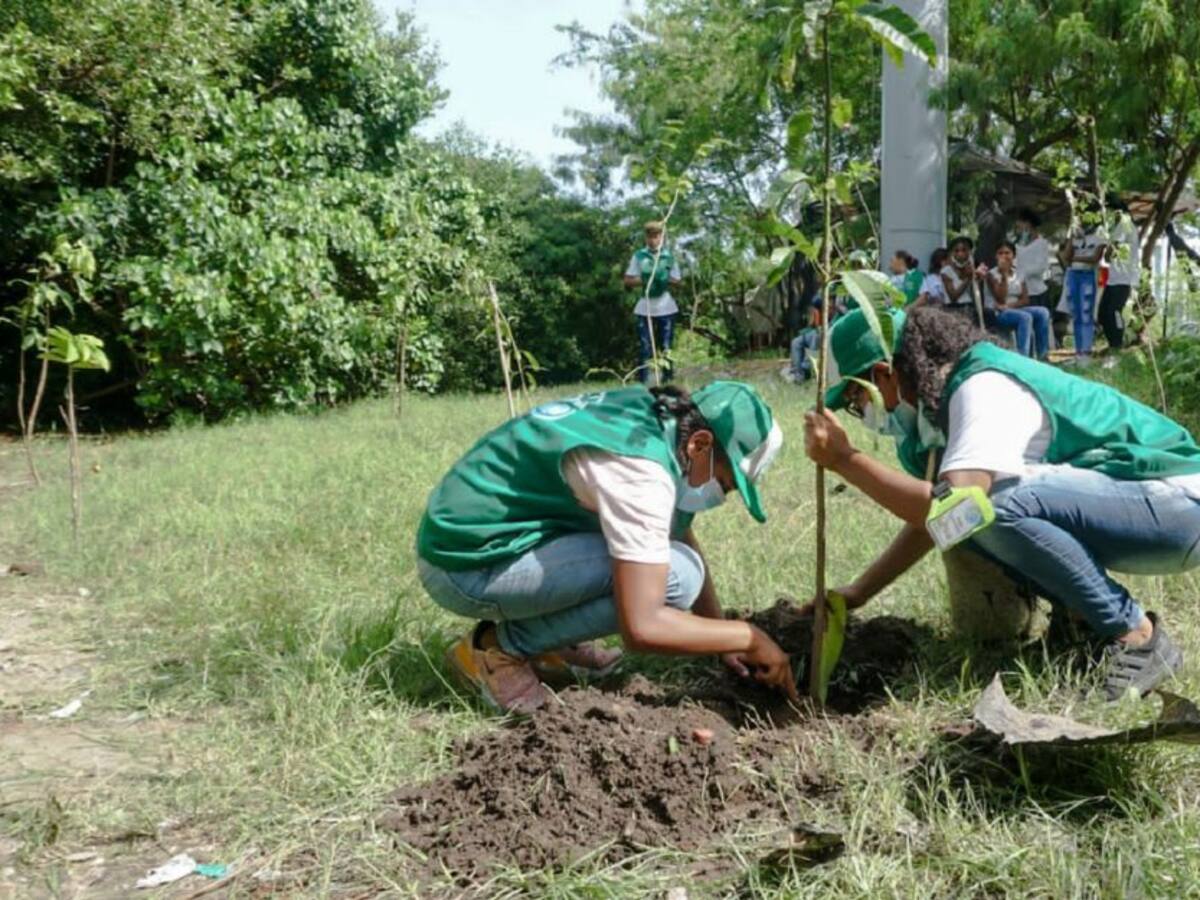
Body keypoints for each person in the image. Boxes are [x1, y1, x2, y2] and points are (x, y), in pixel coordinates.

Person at [803, 306, 1200, 700]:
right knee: (966, 516)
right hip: (1136, 508)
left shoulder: (982, 388)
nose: (862, 413)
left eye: (857, 398)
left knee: (986, 505)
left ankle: (1136, 637)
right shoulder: (931, 419)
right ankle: (1082, 627)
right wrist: (858, 593)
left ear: (884, 374)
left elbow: (964, 508)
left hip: (1177, 503)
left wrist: (844, 460)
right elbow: (935, 521)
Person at [416, 381, 794, 714]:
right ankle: (496, 649)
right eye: (726, 485)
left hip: (490, 536)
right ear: (700, 444)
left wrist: (720, 637)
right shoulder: (641, 474)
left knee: (672, 564)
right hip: (467, 565)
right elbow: (643, 626)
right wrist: (747, 636)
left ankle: (552, 643)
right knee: (675, 578)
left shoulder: (664, 422)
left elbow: (674, 531)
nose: (721, 497)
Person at [624, 221, 683, 383]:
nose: (653, 240)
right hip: (645, 308)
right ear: (646, 237)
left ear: (662, 237)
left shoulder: (668, 257)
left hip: (666, 308)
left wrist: (662, 277)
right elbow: (628, 280)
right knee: (645, 347)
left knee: (666, 347)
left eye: (656, 237)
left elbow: (678, 281)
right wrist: (645, 278)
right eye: (650, 237)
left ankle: (667, 380)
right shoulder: (639, 256)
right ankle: (643, 381)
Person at [984, 241, 1051, 359]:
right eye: (1000, 253)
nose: (1004, 256)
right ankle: (1023, 358)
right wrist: (1004, 275)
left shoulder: (1019, 273)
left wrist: (1010, 306)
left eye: (1007, 253)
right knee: (1025, 317)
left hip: (1013, 308)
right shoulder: (991, 274)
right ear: (996, 256)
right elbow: (1000, 298)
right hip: (997, 313)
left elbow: (1025, 300)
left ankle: (1043, 355)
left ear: (1013, 256)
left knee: (1043, 312)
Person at [1060, 213, 1107, 363]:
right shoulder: (1076, 236)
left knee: (1086, 313)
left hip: (1087, 275)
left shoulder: (1100, 237)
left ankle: (1086, 351)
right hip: (1073, 274)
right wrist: (1071, 237)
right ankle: (1078, 352)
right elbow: (1066, 256)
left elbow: (1095, 258)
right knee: (1076, 314)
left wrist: (1075, 258)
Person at [1100, 204, 1140, 354]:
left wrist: (1107, 253)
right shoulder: (1121, 225)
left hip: (1124, 278)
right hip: (1114, 278)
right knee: (1103, 313)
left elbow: (1110, 253)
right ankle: (1113, 344)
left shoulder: (1124, 223)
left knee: (1113, 312)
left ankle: (1117, 344)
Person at [940, 236, 987, 323]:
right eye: (957, 251)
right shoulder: (946, 271)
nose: (960, 254)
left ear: (969, 252)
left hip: (970, 307)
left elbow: (978, 297)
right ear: (951, 253)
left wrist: (979, 279)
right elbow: (953, 296)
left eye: (964, 250)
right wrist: (968, 278)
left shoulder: (973, 269)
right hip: (953, 309)